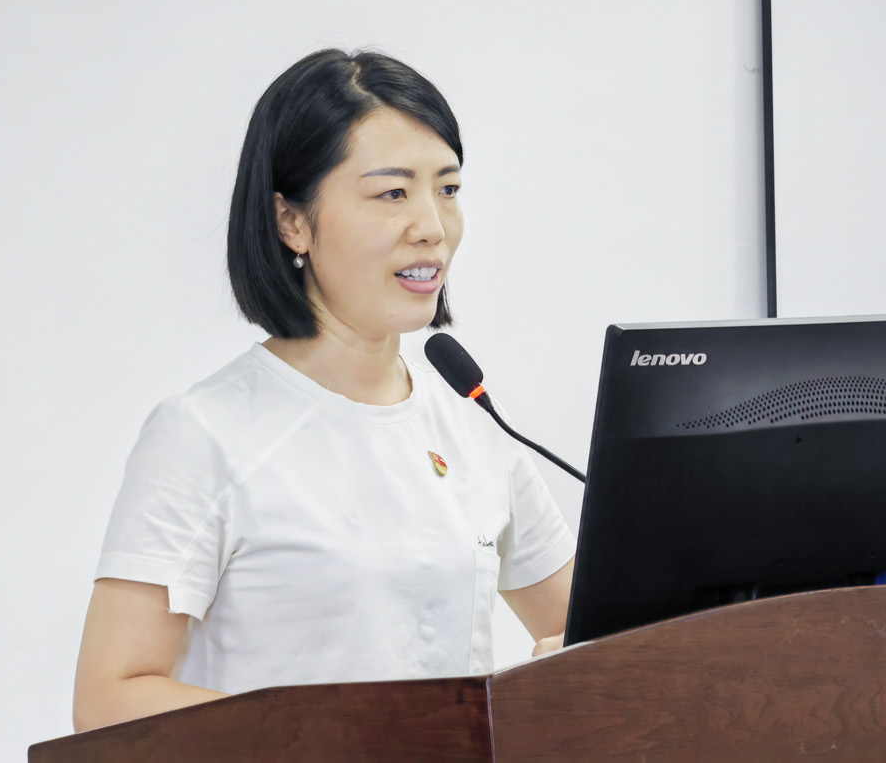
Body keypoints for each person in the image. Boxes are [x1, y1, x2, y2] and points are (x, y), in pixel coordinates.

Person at [72, 50, 576, 732]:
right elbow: (108, 701)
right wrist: (345, 736)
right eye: (393, 193)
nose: (432, 226)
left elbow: (593, 636)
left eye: (448, 189)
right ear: (293, 222)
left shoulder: (472, 419)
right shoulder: (205, 431)